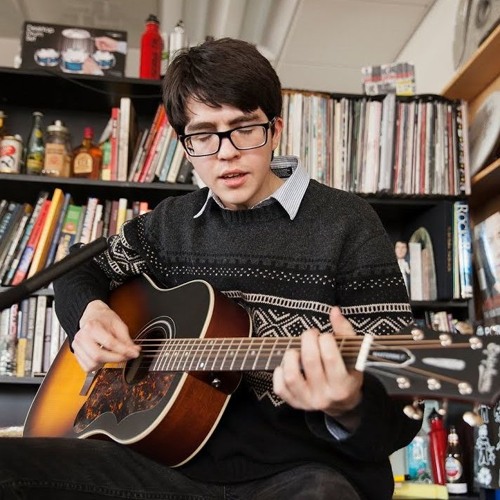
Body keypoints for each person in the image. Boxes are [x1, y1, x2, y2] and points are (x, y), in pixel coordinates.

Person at [0, 37, 420, 500]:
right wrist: (90, 312)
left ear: (274, 128)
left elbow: (398, 408)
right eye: (203, 135)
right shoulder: (167, 225)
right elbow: (78, 268)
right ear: (185, 145)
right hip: (159, 463)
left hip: (298, 473)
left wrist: (351, 404)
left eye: (243, 128)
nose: (225, 152)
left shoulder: (348, 224)